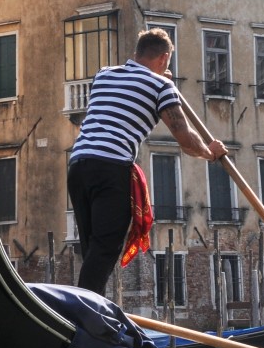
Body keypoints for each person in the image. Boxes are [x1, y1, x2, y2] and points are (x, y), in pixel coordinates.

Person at [67, 28, 226, 296]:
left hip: (79, 164)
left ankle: (87, 307)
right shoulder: (162, 86)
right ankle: (84, 314)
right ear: (164, 59)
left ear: (137, 53)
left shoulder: (104, 75)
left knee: (93, 248)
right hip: (111, 167)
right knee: (105, 249)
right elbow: (185, 139)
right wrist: (210, 152)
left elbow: (126, 93)